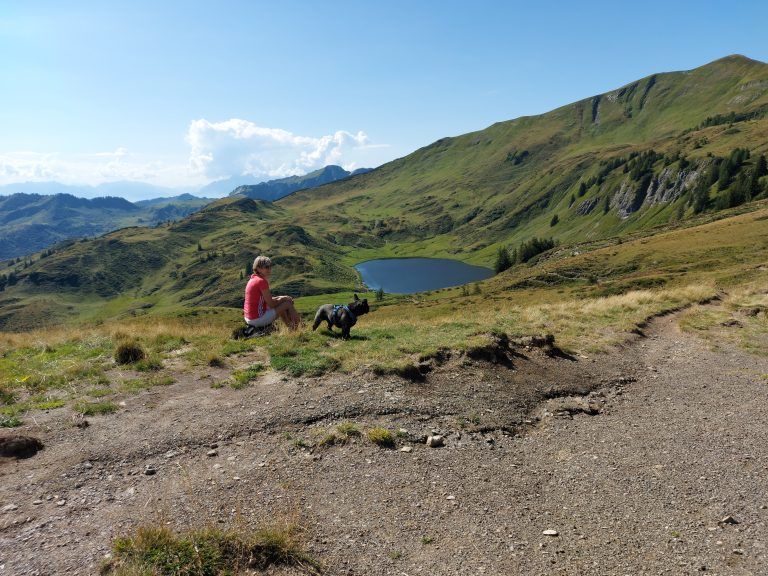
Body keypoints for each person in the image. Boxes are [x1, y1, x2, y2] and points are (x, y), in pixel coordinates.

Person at [244, 255, 300, 330]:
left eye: (270, 266)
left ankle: (291, 327)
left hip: (249, 318)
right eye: (266, 267)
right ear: (258, 268)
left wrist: (282, 298)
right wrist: (284, 299)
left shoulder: (253, 279)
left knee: (281, 304)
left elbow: (266, 300)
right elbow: (271, 304)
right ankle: (298, 327)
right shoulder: (262, 281)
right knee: (287, 304)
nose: (269, 269)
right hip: (257, 319)